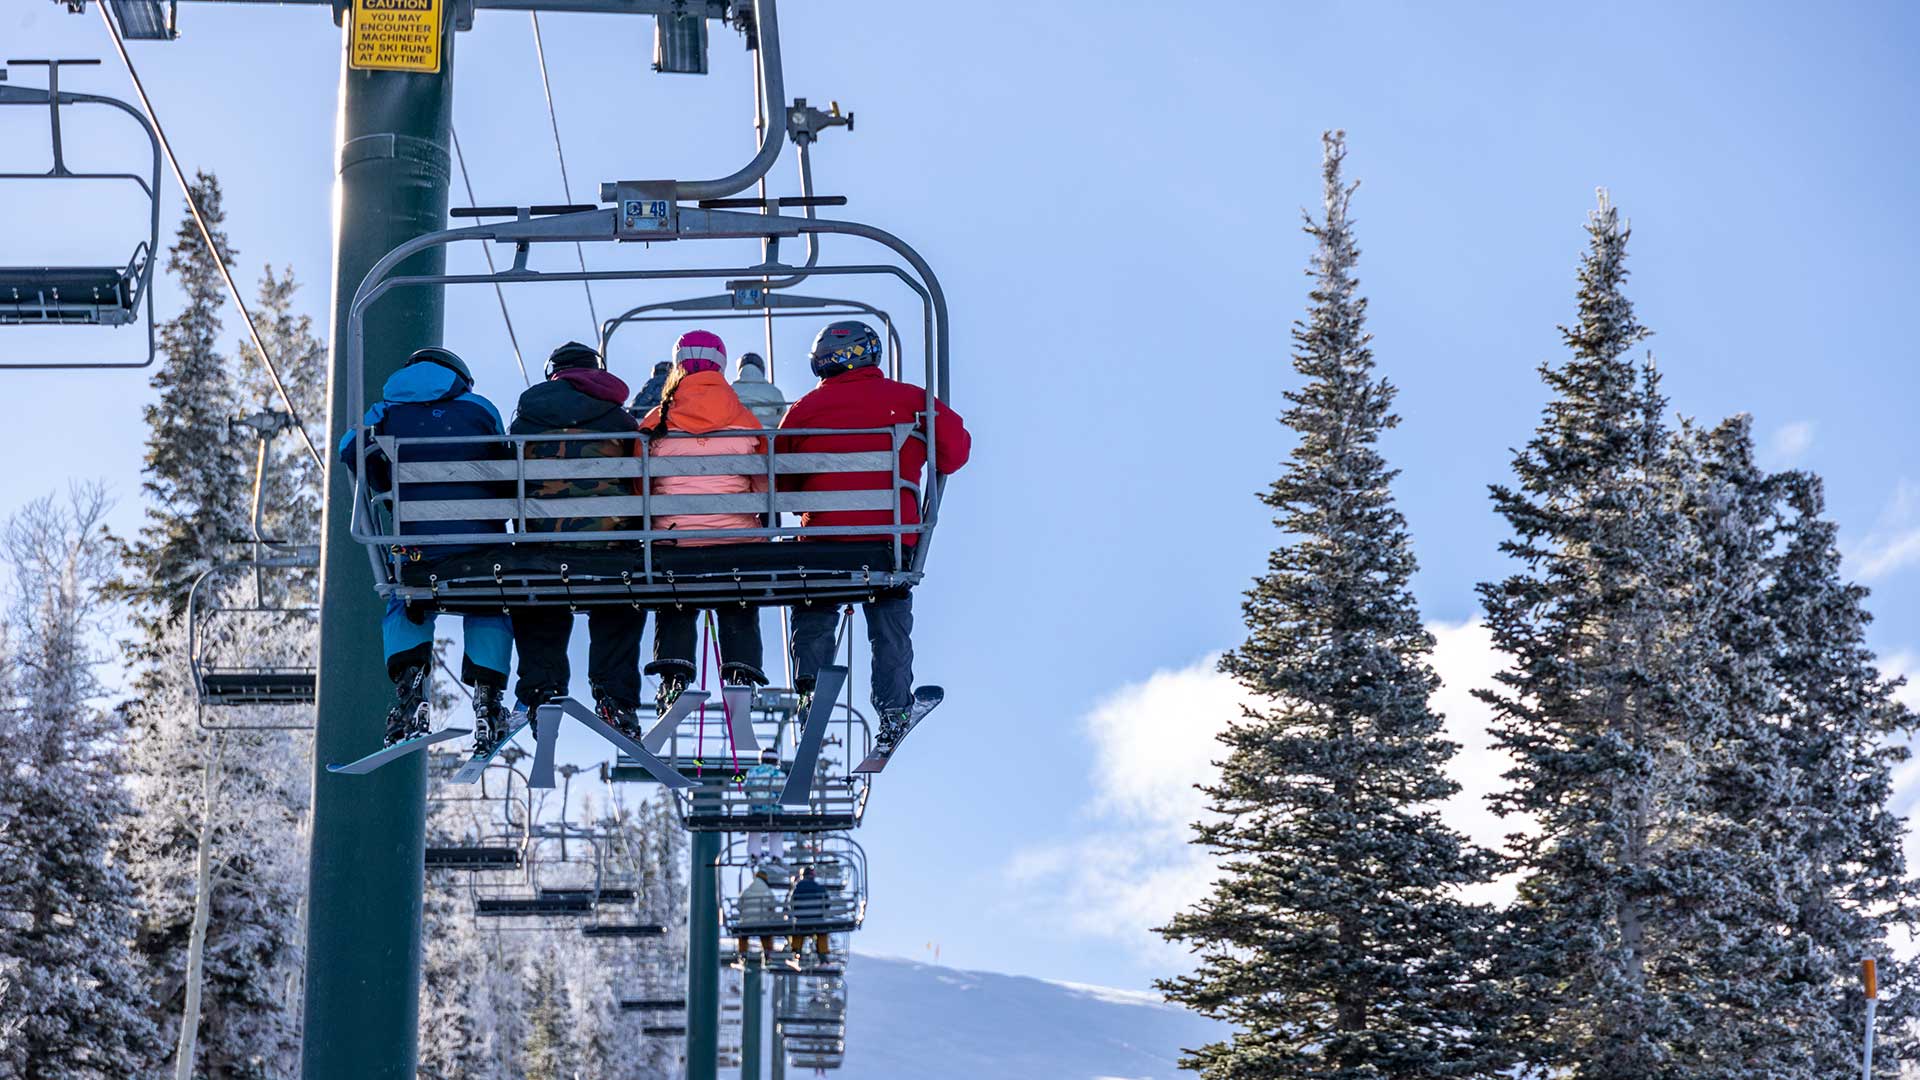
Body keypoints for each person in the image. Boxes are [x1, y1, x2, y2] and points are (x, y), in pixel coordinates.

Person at [777, 321, 972, 753]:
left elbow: (780, 479)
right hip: (888, 543)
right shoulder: (911, 402)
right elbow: (955, 453)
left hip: (823, 543)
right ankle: (893, 706)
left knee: (814, 602)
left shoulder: (806, 409)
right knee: (889, 608)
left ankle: (810, 691)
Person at [337, 347, 514, 749]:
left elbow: (351, 449)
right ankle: (487, 700)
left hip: (417, 552)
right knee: (489, 600)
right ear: (460, 375)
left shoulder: (384, 410)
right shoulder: (480, 410)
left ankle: (410, 692)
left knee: (405, 595)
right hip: (481, 550)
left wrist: (385, 475)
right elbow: (506, 472)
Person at [507, 341, 646, 736]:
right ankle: (614, 696)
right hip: (609, 546)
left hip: (545, 547)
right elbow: (640, 478)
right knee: (623, 598)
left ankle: (542, 689)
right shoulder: (618, 419)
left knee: (537, 597)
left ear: (552, 371)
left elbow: (506, 481)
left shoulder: (527, 418)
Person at [634, 330, 770, 714]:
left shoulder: (656, 420)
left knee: (675, 594)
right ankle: (741, 673)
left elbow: (638, 483)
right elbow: (764, 485)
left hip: (675, 541)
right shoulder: (745, 419)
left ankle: (673, 675)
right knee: (737, 592)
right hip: (737, 541)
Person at [741, 748, 786, 863]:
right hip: (775, 811)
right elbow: (783, 793)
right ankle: (776, 855)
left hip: (756, 810)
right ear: (776, 760)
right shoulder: (780, 775)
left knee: (753, 829)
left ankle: (753, 854)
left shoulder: (752, 772)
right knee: (777, 830)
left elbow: (746, 790)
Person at [731, 351, 787, 427]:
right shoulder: (774, 391)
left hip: (736, 432)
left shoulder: (729, 390)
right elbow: (784, 417)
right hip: (767, 433)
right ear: (761, 369)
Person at [734, 866, 780, 959]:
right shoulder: (768, 892)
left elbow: (739, 906)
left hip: (747, 923)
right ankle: (767, 953)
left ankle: (743, 953)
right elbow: (773, 907)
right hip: (763, 923)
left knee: (743, 934)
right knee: (766, 932)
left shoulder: (746, 891)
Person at [786, 866, 832, 957]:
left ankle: (796, 953)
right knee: (822, 932)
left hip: (801, 921)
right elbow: (827, 904)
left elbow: (792, 905)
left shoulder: (797, 889)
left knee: (798, 931)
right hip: (817, 921)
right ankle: (823, 956)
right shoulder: (820, 888)